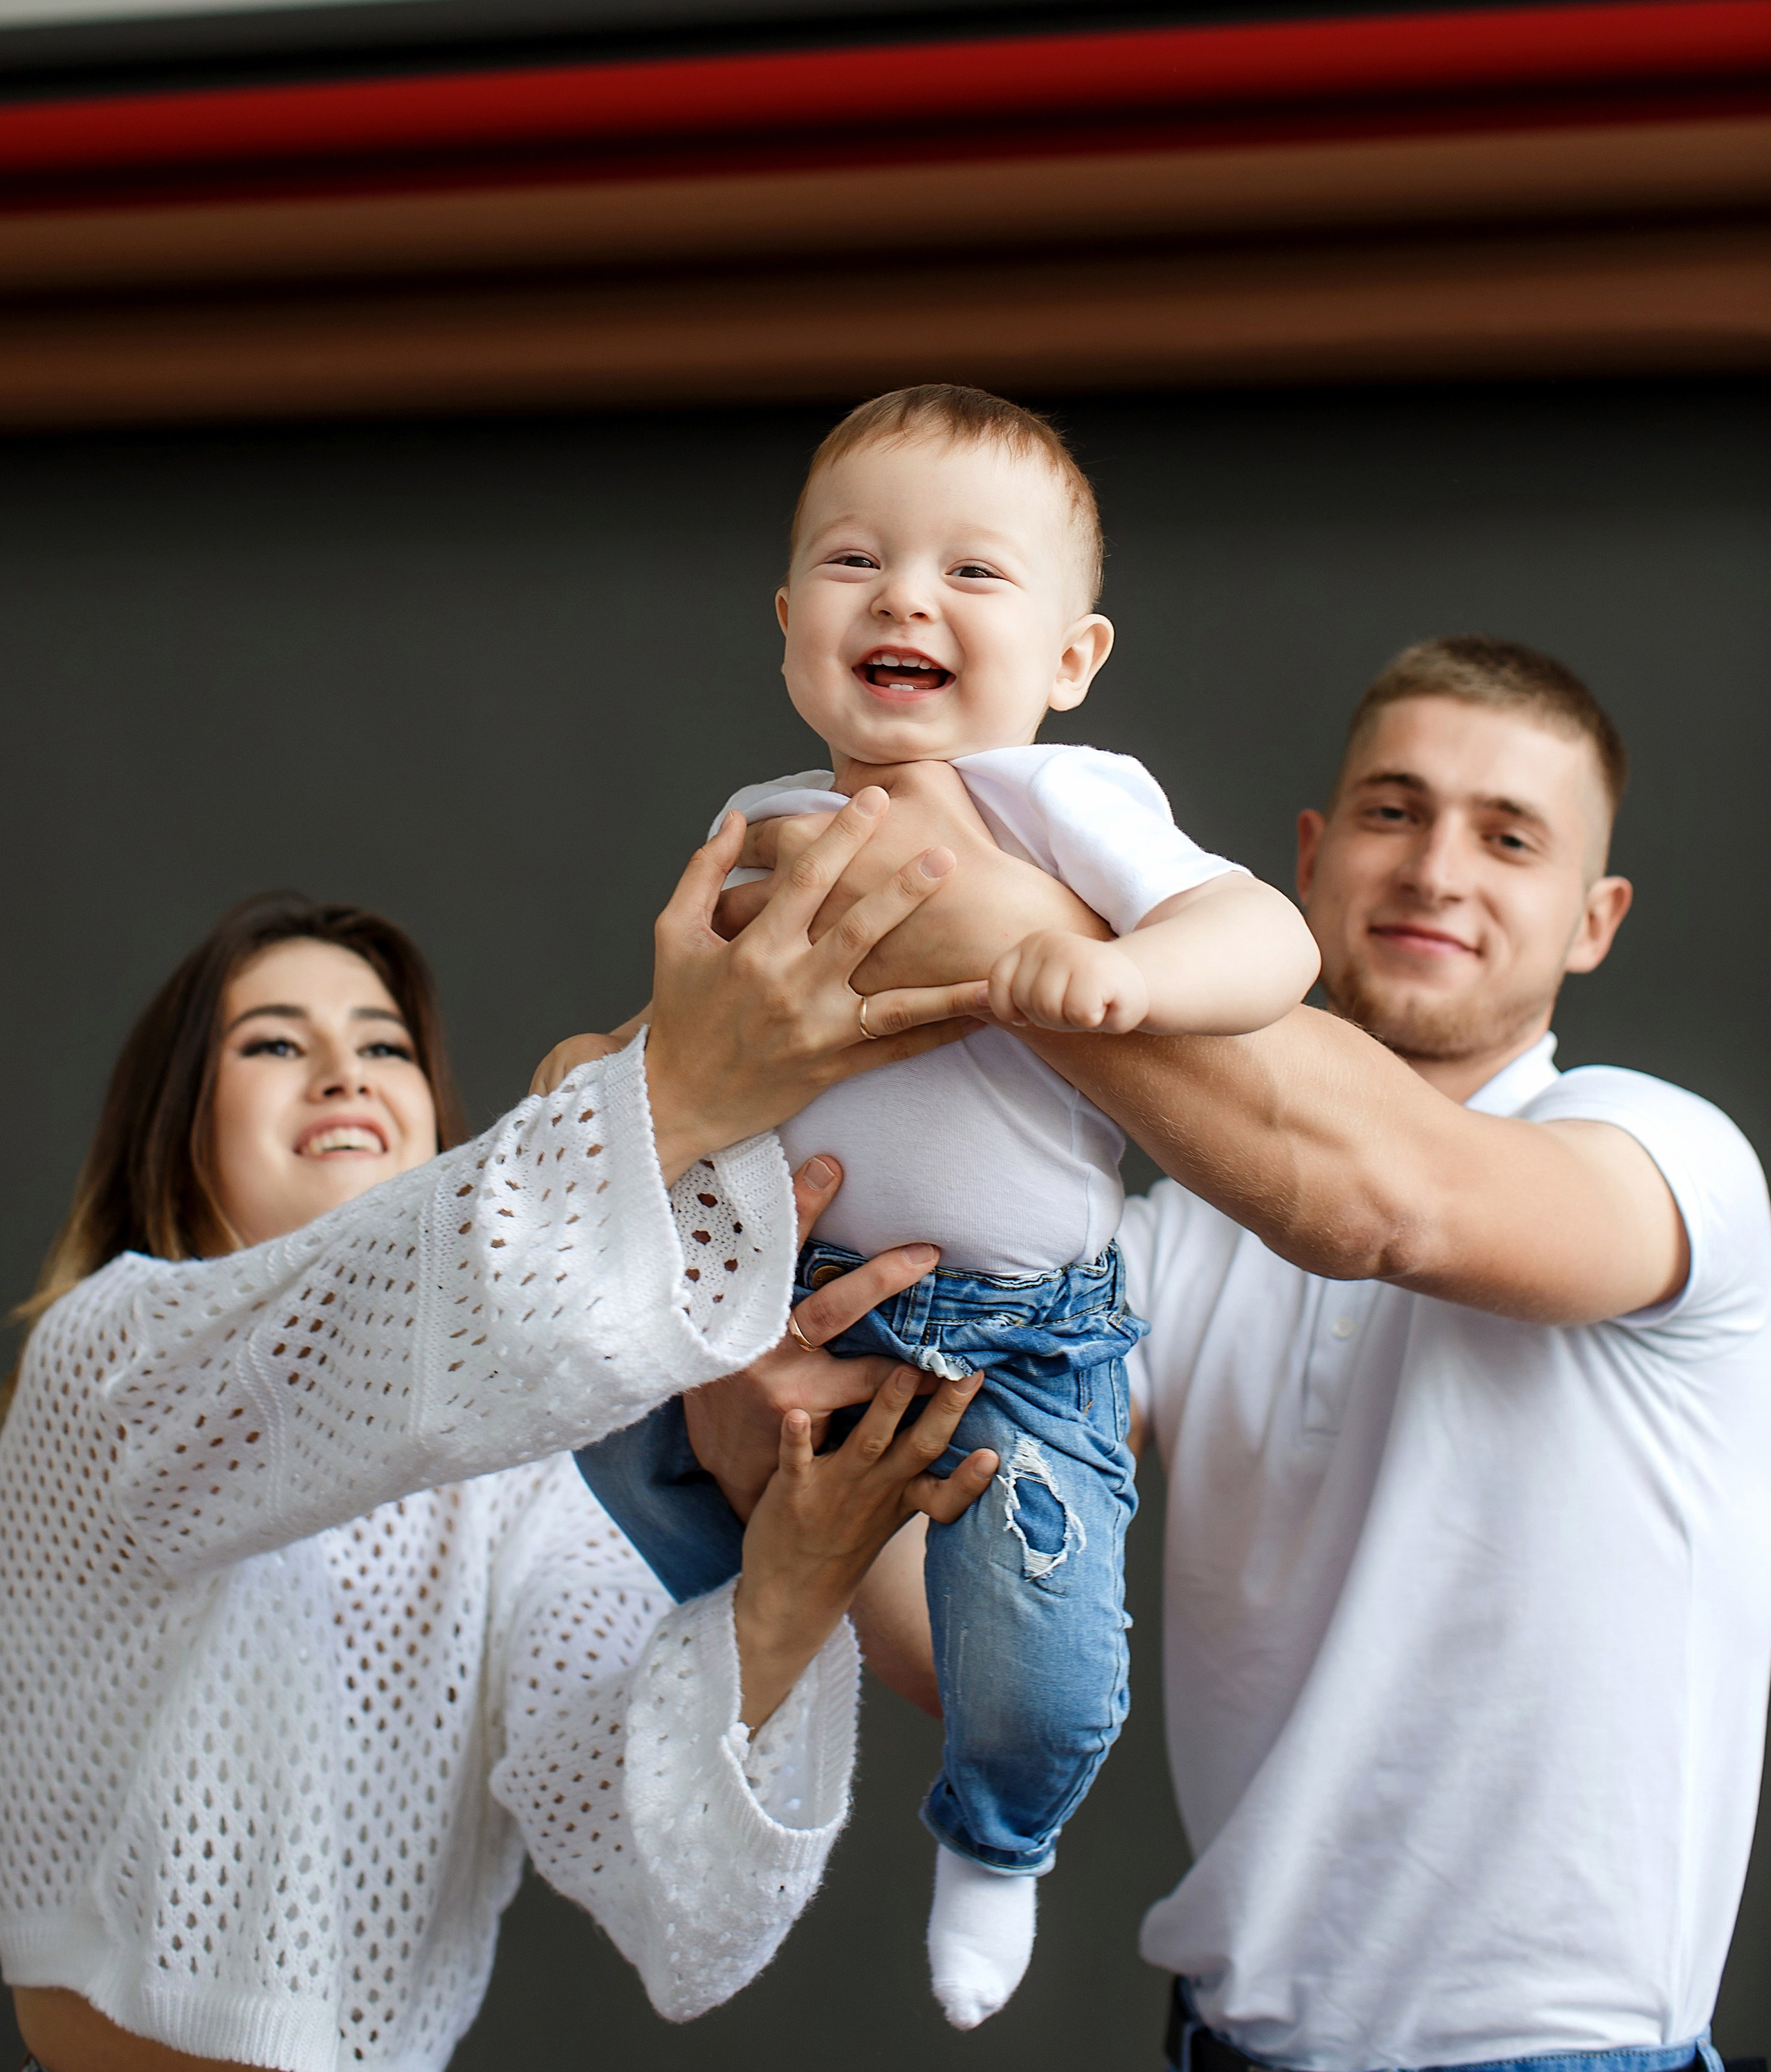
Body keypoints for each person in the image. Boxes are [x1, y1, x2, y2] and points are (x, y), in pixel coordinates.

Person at [671, 634, 1771, 2072]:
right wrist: (738, 1395)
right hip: (1223, 2044)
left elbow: (1386, 1201)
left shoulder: (1673, 1165)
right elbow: (953, 1642)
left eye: (1508, 838)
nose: (1435, 869)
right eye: (1391, 811)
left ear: (1591, 917)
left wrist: (983, 926)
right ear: (1308, 860)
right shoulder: (1164, 1251)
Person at [0, 789, 1000, 2072]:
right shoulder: (111, 1364)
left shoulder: (513, 1487)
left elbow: (678, 1902)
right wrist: (674, 1091)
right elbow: (355, 1326)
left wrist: (787, 1586)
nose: (345, 1071)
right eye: (269, 1045)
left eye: (386, 1046)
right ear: (174, 1127)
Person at [571, 384, 1319, 2029]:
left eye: (972, 576)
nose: (904, 596)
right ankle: (710, 1659)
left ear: (1068, 661)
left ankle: (998, 1837)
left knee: (1046, 1676)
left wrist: (1127, 972)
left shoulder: (1056, 803)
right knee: (598, 1470)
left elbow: (1270, 937)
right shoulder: (756, 822)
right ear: (789, 624)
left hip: (1018, 1342)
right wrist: (605, 1065)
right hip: (770, 1293)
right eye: (856, 560)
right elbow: (695, 1037)